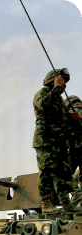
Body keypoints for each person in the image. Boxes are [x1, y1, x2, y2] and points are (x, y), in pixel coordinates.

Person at [33, 68, 80, 213]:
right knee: (46, 172)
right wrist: (57, 88)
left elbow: (63, 120)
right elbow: (45, 105)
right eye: (62, 80)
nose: (64, 83)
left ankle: (66, 202)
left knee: (64, 174)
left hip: (60, 143)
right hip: (45, 141)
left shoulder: (59, 100)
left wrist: (72, 118)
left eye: (64, 82)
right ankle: (46, 204)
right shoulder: (42, 94)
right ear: (52, 79)